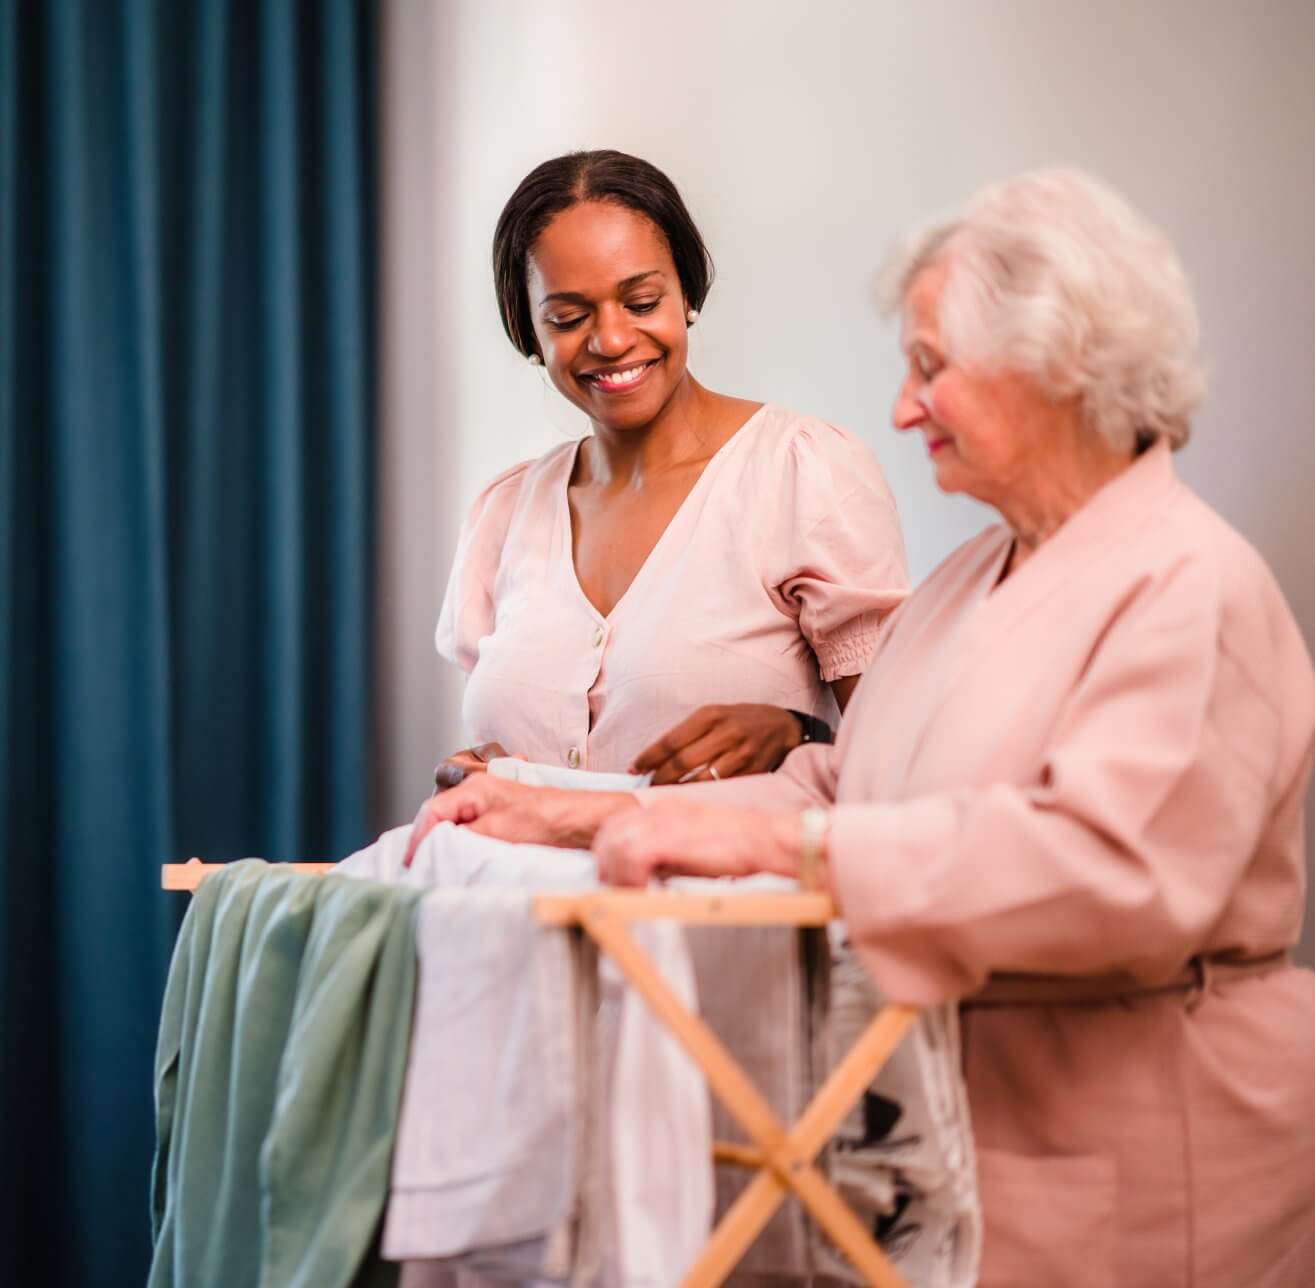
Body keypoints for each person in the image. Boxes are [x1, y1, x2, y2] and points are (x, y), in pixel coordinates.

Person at [413, 169, 1315, 1286]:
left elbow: (1110, 874)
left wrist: (779, 847)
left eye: (930, 368)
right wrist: (556, 812)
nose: (902, 406)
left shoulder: (1191, 585)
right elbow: (845, 785)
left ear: (1060, 371)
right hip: (953, 1144)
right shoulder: (972, 578)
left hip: (1143, 1156)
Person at [431, 150, 907, 794]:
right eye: (568, 318)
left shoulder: (802, 472)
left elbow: (903, 757)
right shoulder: (505, 512)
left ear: (686, 293)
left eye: (642, 300)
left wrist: (800, 734)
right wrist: (476, 779)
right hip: (524, 892)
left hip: (726, 894)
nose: (611, 339)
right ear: (529, 331)